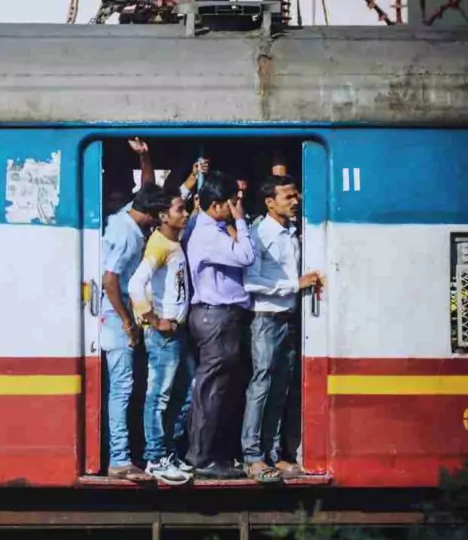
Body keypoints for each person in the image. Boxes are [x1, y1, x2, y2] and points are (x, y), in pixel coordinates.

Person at [242, 175, 324, 481]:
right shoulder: (258, 234)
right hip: (265, 318)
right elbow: (250, 282)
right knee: (261, 385)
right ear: (269, 202)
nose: (295, 201)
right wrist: (294, 285)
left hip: (287, 317)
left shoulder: (291, 231)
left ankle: (272, 454)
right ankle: (252, 456)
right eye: (287, 197)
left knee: (280, 387)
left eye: (295, 195)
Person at [101, 179, 175, 482]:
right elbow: (110, 280)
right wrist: (128, 322)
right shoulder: (130, 236)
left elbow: (146, 186)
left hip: (116, 318)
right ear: (156, 215)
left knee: (121, 387)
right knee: (122, 388)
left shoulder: (120, 218)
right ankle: (119, 458)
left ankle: (119, 454)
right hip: (116, 320)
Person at [183, 171, 255, 479]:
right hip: (217, 316)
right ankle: (202, 459)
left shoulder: (201, 226)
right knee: (212, 391)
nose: (236, 207)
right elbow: (247, 256)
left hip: (214, 316)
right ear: (215, 206)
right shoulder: (210, 235)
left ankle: (208, 454)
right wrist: (240, 221)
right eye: (231, 203)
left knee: (215, 389)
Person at [128, 187, 195, 485]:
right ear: (163, 216)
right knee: (160, 396)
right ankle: (155, 458)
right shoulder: (159, 245)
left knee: (184, 392)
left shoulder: (171, 241)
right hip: (164, 335)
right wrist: (153, 319)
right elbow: (135, 285)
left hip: (176, 331)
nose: (186, 213)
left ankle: (167, 452)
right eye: (180, 209)